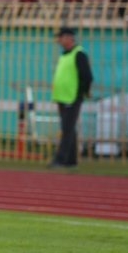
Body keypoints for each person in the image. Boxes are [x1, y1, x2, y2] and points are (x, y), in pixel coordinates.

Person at [50, 27, 93, 169]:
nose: (59, 40)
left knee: (67, 129)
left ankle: (61, 159)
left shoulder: (79, 54)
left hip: (72, 97)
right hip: (62, 97)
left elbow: (87, 76)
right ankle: (71, 160)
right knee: (69, 128)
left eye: (61, 37)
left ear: (69, 38)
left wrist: (83, 92)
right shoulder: (64, 55)